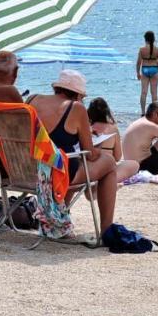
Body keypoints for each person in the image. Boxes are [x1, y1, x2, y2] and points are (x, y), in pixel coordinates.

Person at [28, 70, 121, 230]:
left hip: (27, 172)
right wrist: (99, 149)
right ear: (78, 95)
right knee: (109, 163)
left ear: (57, 88)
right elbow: (90, 155)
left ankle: (62, 213)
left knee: (70, 160)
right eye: (82, 98)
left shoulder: (32, 99)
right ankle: (106, 229)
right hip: (55, 175)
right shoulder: (75, 108)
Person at [135, 31, 158, 115]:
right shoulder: (157, 49)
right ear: (153, 39)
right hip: (154, 69)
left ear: (145, 39)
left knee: (144, 92)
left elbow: (138, 62)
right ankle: (155, 113)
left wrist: (138, 73)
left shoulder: (142, 49)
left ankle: (143, 112)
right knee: (154, 93)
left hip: (145, 69)